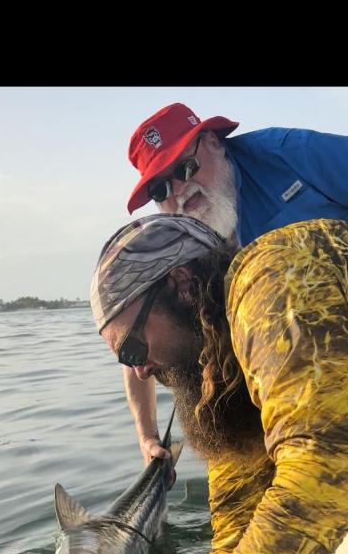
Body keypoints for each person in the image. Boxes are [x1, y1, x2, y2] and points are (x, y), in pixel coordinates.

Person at [90, 213, 348, 554]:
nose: (140, 369)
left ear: (182, 286)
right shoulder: (224, 383)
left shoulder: (273, 277)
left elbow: (324, 469)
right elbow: (232, 539)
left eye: (135, 347)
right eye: (126, 360)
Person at [124, 101, 348, 466]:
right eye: (160, 190)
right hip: (274, 391)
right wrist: (147, 437)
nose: (179, 190)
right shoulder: (177, 246)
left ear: (213, 142)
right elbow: (137, 335)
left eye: (185, 167)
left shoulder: (290, 154)